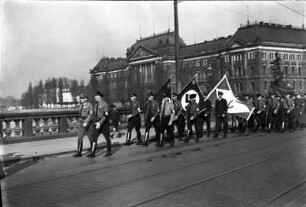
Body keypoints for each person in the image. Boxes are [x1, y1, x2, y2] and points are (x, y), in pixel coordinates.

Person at [87, 90, 111, 158]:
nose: (95, 97)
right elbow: (94, 114)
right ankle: (93, 153)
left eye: (96, 96)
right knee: (94, 138)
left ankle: (109, 151)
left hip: (103, 123)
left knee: (107, 138)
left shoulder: (105, 104)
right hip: (96, 122)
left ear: (99, 96)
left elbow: (106, 115)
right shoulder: (96, 104)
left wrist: (100, 123)